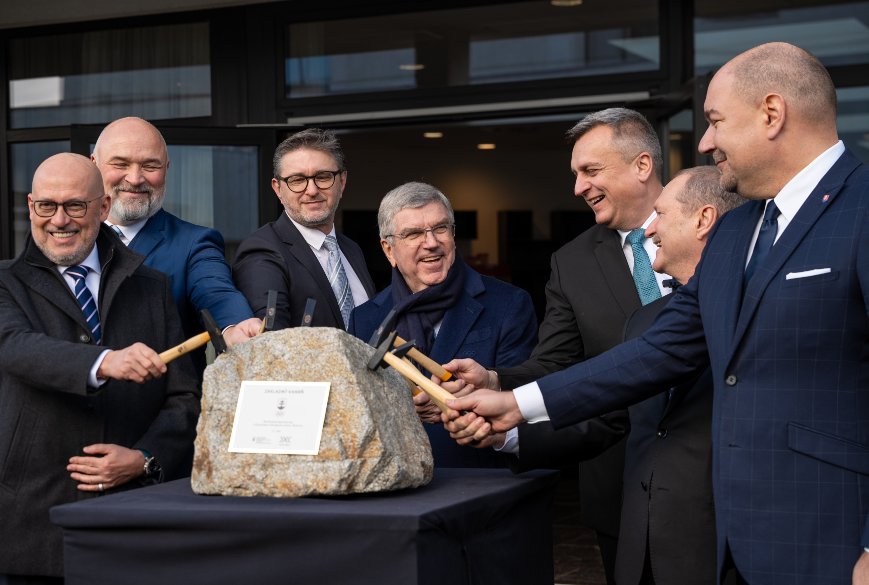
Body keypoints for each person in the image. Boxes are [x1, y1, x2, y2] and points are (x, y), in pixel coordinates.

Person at [443, 42, 869, 585]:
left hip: (833, 537)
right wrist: (517, 403)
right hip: (730, 543)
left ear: (771, 114)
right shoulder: (738, 230)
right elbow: (657, 351)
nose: (705, 140)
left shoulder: (863, 209)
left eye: (715, 121)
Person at [460, 107, 674, 582]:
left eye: (590, 171)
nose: (578, 187)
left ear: (642, 166)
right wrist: (496, 380)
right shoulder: (571, 262)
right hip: (621, 485)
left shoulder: (718, 226)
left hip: (718, 481)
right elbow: (555, 362)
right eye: (576, 174)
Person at [0, 153, 200, 584]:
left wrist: (145, 458)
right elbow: (14, 347)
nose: (59, 220)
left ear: (102, 209)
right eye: (47, 205)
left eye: (75, 206)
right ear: (31, 206)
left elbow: (185, 398)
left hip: (135, 517)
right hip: (33, 523)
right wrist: (105, 361)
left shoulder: (153, 287)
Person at [347, 181, 537, 467]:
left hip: (479, 482)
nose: (431, 242)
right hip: (398, 487)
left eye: (440, 228)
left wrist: (478, 391)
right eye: (413, 233)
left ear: (453, 235)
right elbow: (356, 413)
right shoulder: (365, 319)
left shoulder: (510, 304)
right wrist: (404, 407)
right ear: (389, 250)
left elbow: (525, 397)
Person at [614, 166, 743, 585]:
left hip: (723, 548)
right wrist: (511, 424)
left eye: (661, 214)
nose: (649, 230)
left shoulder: (754, 311)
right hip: (642, 549)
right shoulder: (643, 321)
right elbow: (613, 411)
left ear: (703, 220)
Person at [91, 117, 261, 374]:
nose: (135, 178)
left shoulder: (194, 244)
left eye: (150, 165)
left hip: (165, 409)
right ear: (94, 164)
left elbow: (216, 292)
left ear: (167, 168)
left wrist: (234, 327)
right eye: (121, 164)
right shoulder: (71, 238)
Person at [233, 128, 375, 329]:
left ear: (342, 182)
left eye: (323, 177)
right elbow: (271, 344)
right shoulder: (261, 252)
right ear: (277, 189)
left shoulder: (351, 249)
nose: (312, 190)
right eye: (297, 180)